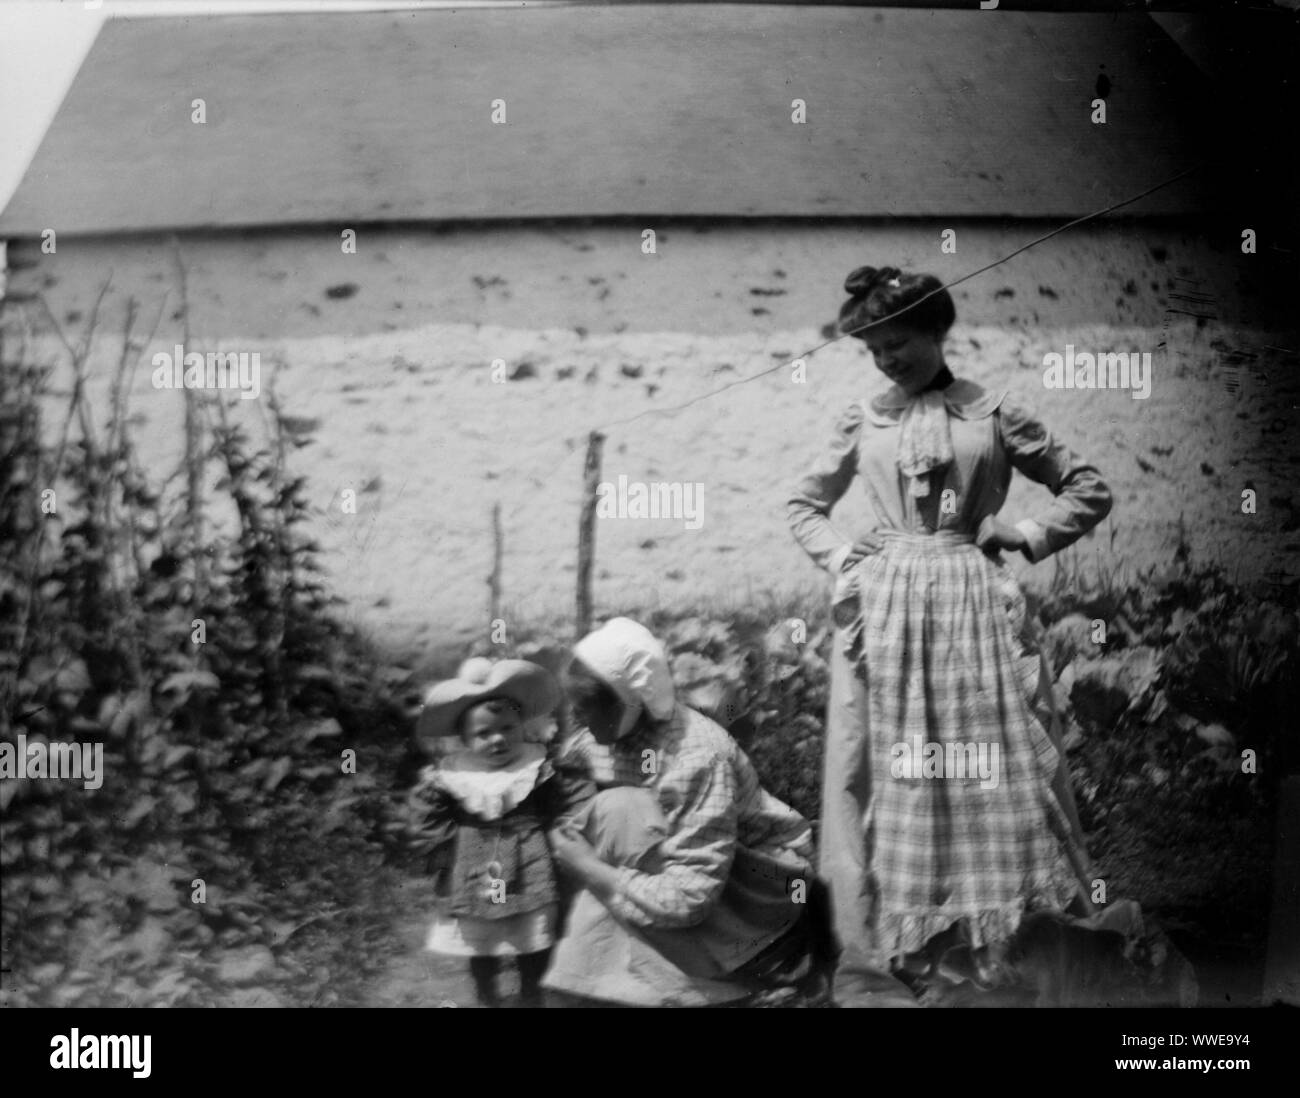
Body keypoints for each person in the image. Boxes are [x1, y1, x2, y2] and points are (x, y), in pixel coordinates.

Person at [787, 265, 1112, 1006]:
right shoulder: (864, 420)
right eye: (873, 350)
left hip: (974, 606)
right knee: (871, 768)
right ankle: (881, 944)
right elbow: (803, 504)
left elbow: (1088, 487)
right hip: (885, 609)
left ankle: (1001, 945)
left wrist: (1023, 532)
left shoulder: (995, 414)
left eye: (897, 343)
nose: (887, 360)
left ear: (938, 330)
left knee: (985, 770)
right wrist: (845, 556)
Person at [542, 617, 824, 1006]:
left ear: (626, 704)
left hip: (757, 893)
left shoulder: (696, 757)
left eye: (586, 709)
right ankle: (611, 977)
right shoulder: (604, 737)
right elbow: (572, 772)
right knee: (617, 811)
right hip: (675, 866)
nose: (576, 720)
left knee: (623, 812)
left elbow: (691, 896)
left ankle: (698, 986)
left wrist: (588, 867)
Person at [408, 658, 594, 1007]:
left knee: (533, 937)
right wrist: (434, 811)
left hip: (530, 863)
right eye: (483, 734)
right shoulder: (457, 775)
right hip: (475, 865)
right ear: (464, 739)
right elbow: (428, 818)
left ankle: (531, 994)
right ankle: (487, 995)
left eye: (507, 728)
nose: (498, 739)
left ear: (522, 726)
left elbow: (571, 797)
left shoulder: (537, 766)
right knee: (482, 943)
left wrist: (572, 822)